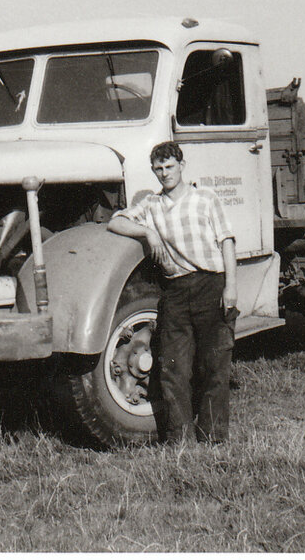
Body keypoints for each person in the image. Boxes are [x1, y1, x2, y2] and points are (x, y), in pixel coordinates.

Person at [108, 141, 238, 444]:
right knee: (172, 367)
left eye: (169, 167)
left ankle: (214, 437)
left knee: (214, 366)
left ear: (181, 166)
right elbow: (116, 222)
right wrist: (147, 231)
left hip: (211, 284)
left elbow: (227, 242)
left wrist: (230, 287)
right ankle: (180, 439)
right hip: (176, 291)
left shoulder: (205, 198)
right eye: (158, 169)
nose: (164, 173)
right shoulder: (152, 206)